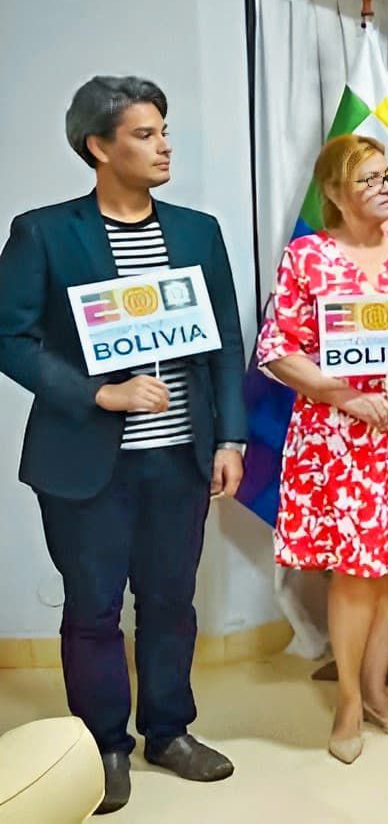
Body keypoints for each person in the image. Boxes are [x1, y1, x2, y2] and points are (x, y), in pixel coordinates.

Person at [0, 76, 246, 814]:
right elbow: (10, 337)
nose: (164, 143)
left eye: (164, 129)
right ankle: (103, 744)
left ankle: (168, 730)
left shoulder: (197, 231)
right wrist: (98, 392)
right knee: (94, 608)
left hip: (180, 459)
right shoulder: (44, 231)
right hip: (83, 467)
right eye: (145, 133)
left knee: (172, 602)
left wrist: (230, 435)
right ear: (98, 147)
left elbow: (226, 342)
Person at [256, 134, 388, 764]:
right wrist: (343, 395)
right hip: (338, 437)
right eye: (368, 180)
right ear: (335, 193)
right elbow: (277, 348)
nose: (385, 188)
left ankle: (378, 689)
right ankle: (347, 700)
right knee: (352, 572)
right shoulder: (308, 258)